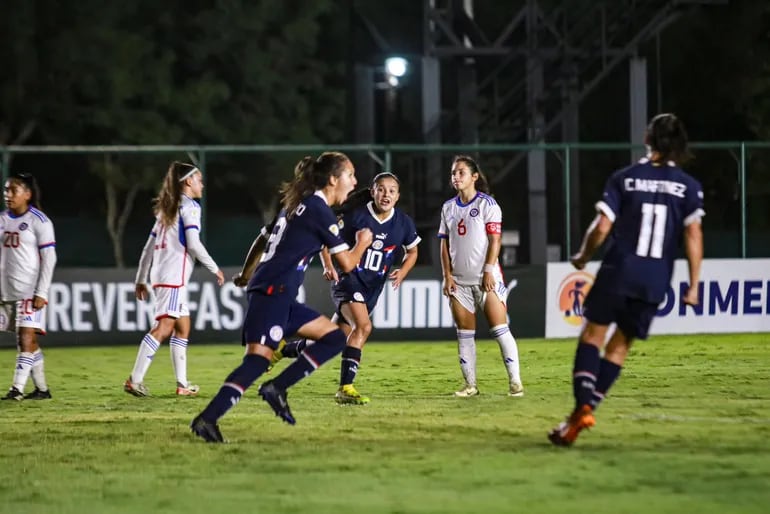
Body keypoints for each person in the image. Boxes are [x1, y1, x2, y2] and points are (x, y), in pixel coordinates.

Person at [191, 151, 373, 442]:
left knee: (335, 337)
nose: (354, 181)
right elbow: (348, 264)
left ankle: (276, 388)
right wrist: (363, 242)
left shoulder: (297, 204)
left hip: (281, 294)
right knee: (256, 362)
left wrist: (247, 274)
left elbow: (263, 239)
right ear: (333, 179)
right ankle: (210, 418)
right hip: (273, 292)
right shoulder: (317, 209)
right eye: (350, 175)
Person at [548, 113, 704, 447]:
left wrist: (583, 257)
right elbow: (693, 234)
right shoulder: (689, 187)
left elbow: (602, 226)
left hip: (619, 270)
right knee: (620, 346)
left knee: (593, 335)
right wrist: (693, 284)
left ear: (648, 137)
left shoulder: (626, 177)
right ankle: (579, 417)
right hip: (655, 279)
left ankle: (583, 406)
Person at [274, 172, 421, 405]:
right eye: (381, 189)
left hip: (373, 287)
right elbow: (325, 239)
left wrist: (403, 271)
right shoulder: (356, 217)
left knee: (335, 340)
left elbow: (413, 251)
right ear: (372, 192)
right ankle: (346, 387)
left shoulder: (403, 222)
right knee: (363, 327)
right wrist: (328, 264)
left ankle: (281, 350)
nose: (386, 194)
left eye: (392, 190)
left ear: (398, 195)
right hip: (348, 279)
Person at [124, 161, 225, 397]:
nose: (202, 184)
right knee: (164, 327)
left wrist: (141, 278)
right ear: (188, 181)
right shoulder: (189, 207)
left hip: (161, 273)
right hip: (172, 276)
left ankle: (182, 385)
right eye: (199, 179)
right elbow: (193, 243)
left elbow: (148, 247)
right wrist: (214, 267)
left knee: (183, 326)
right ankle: (134, 380)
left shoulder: (167, 208)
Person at [438, 155, 523, 398]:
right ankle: (470, 385)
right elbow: (443, 245)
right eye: (453, 173)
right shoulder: (448, 208)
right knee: (464, 334)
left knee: (500, 329)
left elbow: (495, 241)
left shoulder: (488, 204)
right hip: (459, 282)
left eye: (461, 172)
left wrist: (488, 270)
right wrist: (447, 275)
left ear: (474, 176)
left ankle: (515, 383)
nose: (456, 176)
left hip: (487, 279)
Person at [0, 172, 57, 401]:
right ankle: (42, 390)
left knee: (25, 338)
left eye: (13, 190)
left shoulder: (39, 221)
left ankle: (17, 390)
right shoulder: (2, 219)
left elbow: (49, 258)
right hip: (5, 291)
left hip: (29, 291)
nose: (7, 195)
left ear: (27, 194)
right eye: (5, 190)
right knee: (28, 341)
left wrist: (41, 292)